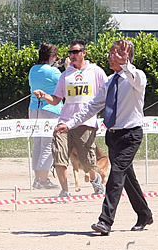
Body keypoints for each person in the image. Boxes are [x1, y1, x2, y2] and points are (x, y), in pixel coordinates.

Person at [54, 39, 153, 235]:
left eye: (113, 54)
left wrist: (126, 64)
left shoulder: (136, 77)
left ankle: (105, 220)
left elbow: (137, 79)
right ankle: (144, 214)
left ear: (125, 57)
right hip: (113, 136)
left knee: (116, 174)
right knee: (127, 178)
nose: (109, 57)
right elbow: (91, 107)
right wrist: (69, 123)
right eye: (110, 54)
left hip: (131, 134)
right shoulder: (109, 81)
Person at [33, 39, 107, 197]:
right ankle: (65, 190)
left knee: (87, 161)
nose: (72, 55)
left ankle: (95, 182)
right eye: (70, 53)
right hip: (64, 122)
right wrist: (44, 95)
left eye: (75, 52)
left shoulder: (95, 71)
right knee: (58, 155)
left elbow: (107, 91)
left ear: (83, 53)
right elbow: (56, 99)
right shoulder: (65, 75)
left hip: (86, 122)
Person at [28, 43, 63, 189]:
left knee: (38, 144)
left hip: (34, 109)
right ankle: (42, 179)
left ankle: (38, 178)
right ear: (52, 56)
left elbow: (46, 74)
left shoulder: (33, 70)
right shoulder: (54, 72)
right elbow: (63, 82)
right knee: (48, 145)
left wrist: (55, 66)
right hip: (50, 109)